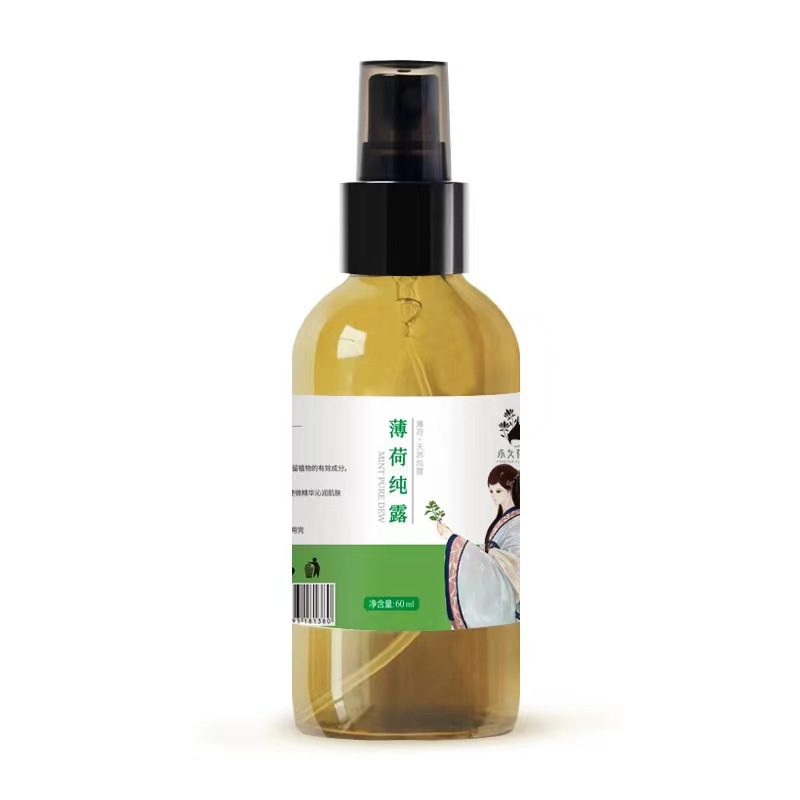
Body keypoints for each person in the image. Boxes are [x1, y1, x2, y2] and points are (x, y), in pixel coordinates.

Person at [437, 464, 520, 629]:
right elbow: (490, 553)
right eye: (491, 491)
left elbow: (516, 563)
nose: (493, 496)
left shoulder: (518, 522)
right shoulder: (503, 520)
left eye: (498, 491)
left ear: (511, 490)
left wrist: (453, 538)